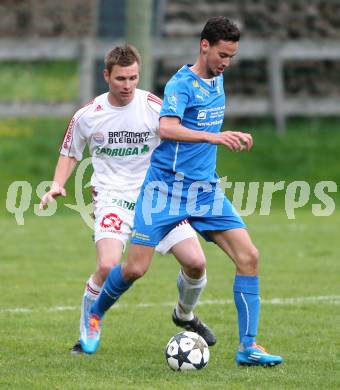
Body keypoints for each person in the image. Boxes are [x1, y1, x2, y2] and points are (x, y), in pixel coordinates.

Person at [83, 17, 283, 367]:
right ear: (204, 45)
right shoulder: (181, 84)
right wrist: (214, 136)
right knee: (134, 268)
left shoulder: (217, 80)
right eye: (222, 54)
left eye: (232, 56)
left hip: (205, 191)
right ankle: (95, 314)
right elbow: (168, 127)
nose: (226, 63)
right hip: (165, 190)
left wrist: (219, 140)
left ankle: (248, 347)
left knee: (249, 256)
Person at [39, 44, 216, 354]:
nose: (127, 85)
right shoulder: (87, 116)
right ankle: (89, 328)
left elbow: (178, 139)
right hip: (112, 198)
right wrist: (57, 184)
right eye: (121, 78)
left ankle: (184, 314)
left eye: (133, 78)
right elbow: (70, 153)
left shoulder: (153, 107)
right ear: (106, 75)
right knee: (108, 265)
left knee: (197, 263)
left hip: (158, 197)